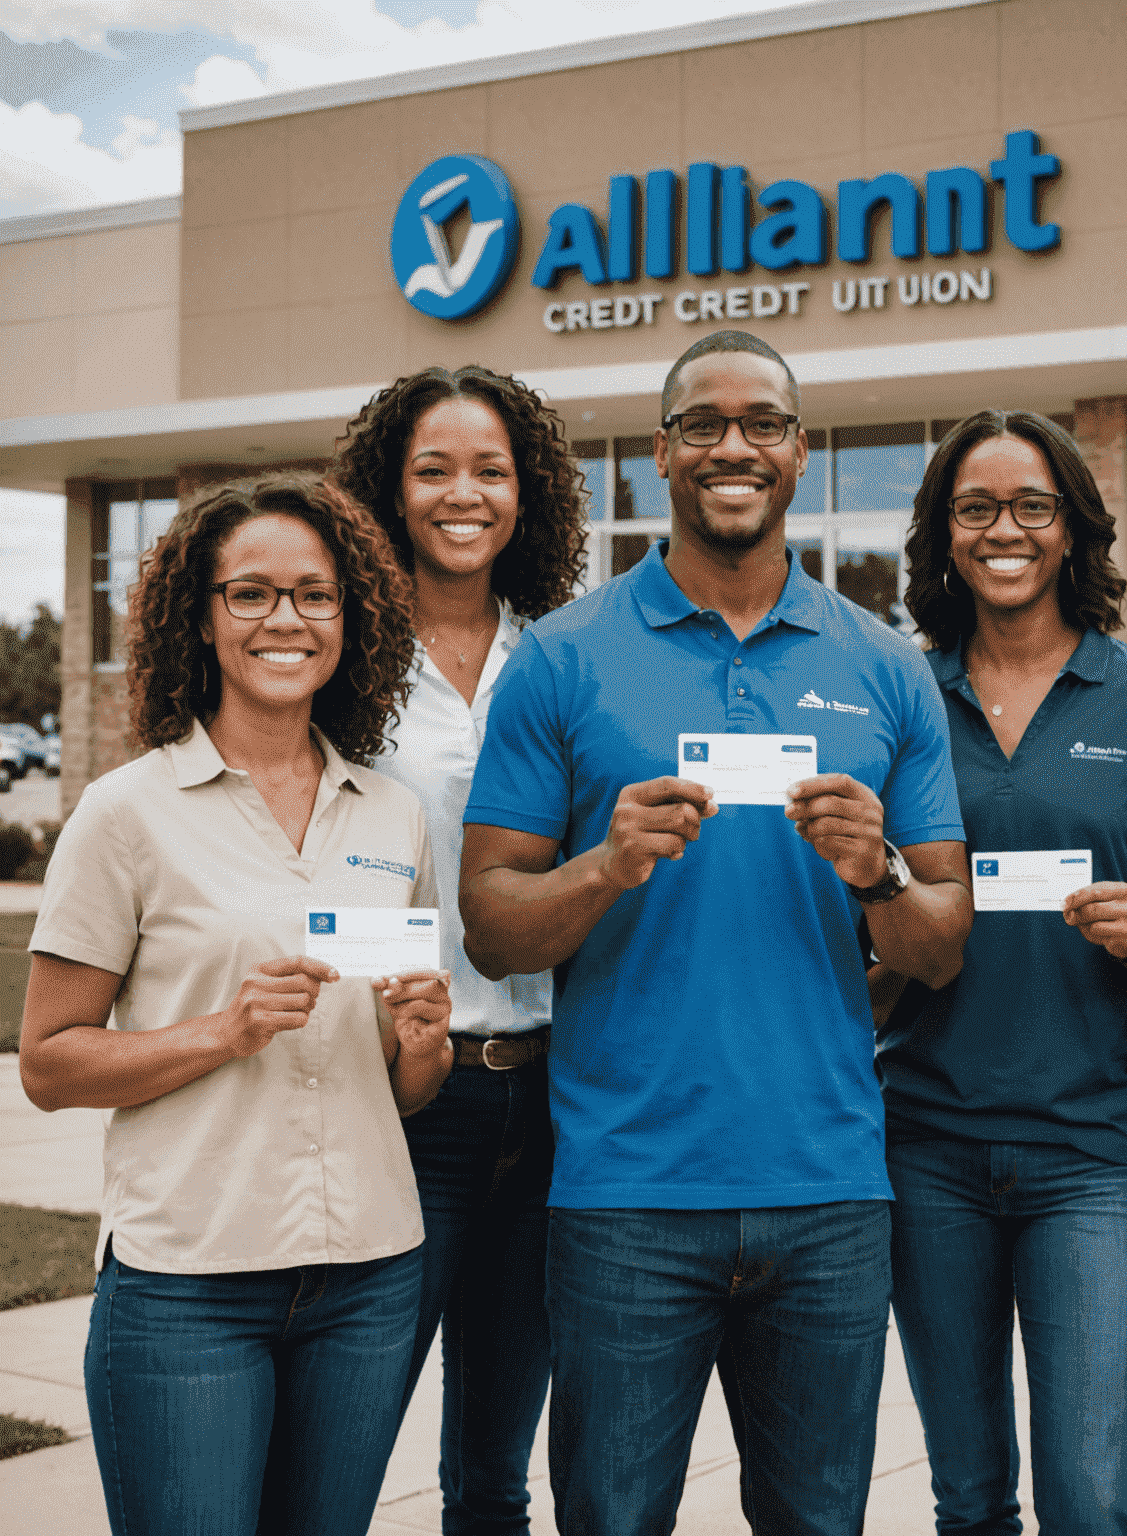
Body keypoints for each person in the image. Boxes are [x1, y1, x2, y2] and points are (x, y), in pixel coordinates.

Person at [458, 329, 972, 1536]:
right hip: (625, 1196)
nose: (732, 446)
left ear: (800, 452)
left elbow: (943, 944)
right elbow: (490, 923)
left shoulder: (886, 668)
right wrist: (604, 865)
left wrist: (881, 873)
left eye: (761, 424)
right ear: (659, 454)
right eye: (702, 424)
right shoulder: (565, 658)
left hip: (830, 1191)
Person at [18, 474, 453, 1536]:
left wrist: (423, 1042)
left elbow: (405, 1089)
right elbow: (48, 1062)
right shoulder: (126, 814)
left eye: (314, 595)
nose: (285, 620)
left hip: (368, 1274)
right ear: (201, 618)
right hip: (190, 1285)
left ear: (352, 620)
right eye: (250, 593)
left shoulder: (394, 814)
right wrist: (227, 1028)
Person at [876, 409, 1127, 1535]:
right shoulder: (899, 696)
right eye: (976, 507)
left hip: (1094, 1158)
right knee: (969, 1499)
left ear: (1074, 528)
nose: (1005, 529)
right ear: (944, 535)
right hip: (925, 1146)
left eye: (1034, 505)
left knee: (1088, 1501)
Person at [331, 365, 586, 1533]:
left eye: (491, 469)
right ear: (388, 489)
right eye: (433, 469)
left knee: (495, 1470)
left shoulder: (562, 657)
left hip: (546, 1098)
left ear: (527, 493)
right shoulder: (341, 662)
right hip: (393, 1094)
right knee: (343, 1438)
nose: (463, 494)